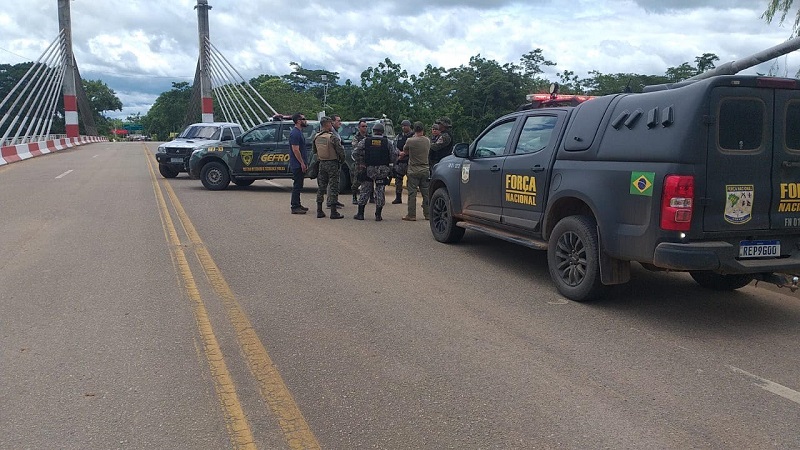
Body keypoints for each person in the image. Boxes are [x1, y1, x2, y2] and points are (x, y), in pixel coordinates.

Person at [352, 122, 397, 221]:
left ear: (373, 131)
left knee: (365, 190)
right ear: (382, 132)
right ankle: (378, 215)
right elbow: (394, 156)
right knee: (380, 191)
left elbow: (355, 153)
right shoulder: (388, 142)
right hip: (382, 170)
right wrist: (390, 165)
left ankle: (360, 214)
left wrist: (361, 163)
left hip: (368, 169)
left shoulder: (366, 141)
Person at [312, 116, 345, 219]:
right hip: (332, 163)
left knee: (321, 187)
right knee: (334, 186)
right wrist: (341, 160)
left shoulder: (316, 137)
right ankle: (333, 212)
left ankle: (319, 210)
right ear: (327, 124)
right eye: (330, 123)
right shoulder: (332, 137)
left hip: (322, 163)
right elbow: (340, 151)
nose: (331, 125)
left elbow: (314, 151)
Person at [400, 121, 431, 221]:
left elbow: (405, 151)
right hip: (425, 169)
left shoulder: (410, 141)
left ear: (414, 129)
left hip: (413, 169)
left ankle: (412, 214)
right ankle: (428, 214)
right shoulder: (427, 140)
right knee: (426, 194)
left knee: (412, 194)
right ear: (423, 129)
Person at [289, 112, 309, 214]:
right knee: (297, 185)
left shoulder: (299, 132)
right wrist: (301, 163)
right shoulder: (295, 133)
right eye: (303, 119)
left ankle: (298, 204)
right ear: (298, 121)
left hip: (300, 163)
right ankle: (295, 206)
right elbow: (295, 150)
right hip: (297, 164)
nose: (305, 120)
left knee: (299, 185)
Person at [391, 119, 413, 204]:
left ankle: (410, 199)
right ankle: (398, 197)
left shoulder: (413, 136)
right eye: (403, 126)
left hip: (410, 161)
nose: (404, 127)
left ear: (409, 126)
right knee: (398, 180)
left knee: (410, 181)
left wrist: (406, 153)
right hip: (400, 161)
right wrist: (399, 153)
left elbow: (416, 148)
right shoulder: (399, 136)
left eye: (405, 126)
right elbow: (394, 146)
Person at [327, 114, 345, 209]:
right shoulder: (331, 133)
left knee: (336, 181)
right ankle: (330, 202)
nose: (340, 123)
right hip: (333, 159)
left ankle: (335, 200)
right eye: (338, 121)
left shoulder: (336, 132)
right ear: (332, 122)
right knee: (332, 182)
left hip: (337, 159)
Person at [350, 120, 369, 204]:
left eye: (366, 126)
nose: (365, 128)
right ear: (359, 127)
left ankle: (371, 197)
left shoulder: (369, 137)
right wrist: (360, 162)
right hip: (359, 162)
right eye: (363, 126)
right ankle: (354, 197)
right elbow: (356, 150)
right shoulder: (356, 138)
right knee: (357, 180)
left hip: (368, 161)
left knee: (370, 179)